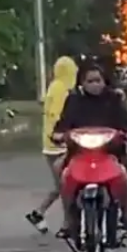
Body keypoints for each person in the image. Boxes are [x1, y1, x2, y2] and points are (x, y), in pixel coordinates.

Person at [51, 64, 127, 236]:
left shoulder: (114, 98)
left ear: (104, 81)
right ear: (82, 83)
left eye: (98, 80)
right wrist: (59, 134)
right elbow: (64, 123)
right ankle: (68, 219)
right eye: (90, 81)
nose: (95, 85)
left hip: (112, 152)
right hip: (79, 153)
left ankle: (126, 216)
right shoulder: (73, 100)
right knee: (59, 168)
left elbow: (126, 119)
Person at [25, 56, 78, 233]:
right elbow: (57, 115)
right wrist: (66, 134)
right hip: (58, 144)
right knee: (65, 186)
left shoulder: (55, 86)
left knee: (62, 185)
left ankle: (39, 214)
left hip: (52, 143)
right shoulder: (61, 89)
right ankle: (67, 222)